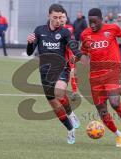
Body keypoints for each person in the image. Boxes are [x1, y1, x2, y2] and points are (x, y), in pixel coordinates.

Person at [80, 8, 121, 148]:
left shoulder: (112, 28)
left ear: (101, 19)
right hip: (95, 76)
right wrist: (81, 63)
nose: (92, 25)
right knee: (102, 111)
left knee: (114, 102)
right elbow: (83, 52)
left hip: (112, 71)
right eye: (90, 22)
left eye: (95, 22)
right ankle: (119, 135)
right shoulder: (85, 34)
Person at [26, 4, 84, 144]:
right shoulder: (39, 31)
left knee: (59, 93)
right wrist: (29, 43)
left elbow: (73, 45)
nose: (58, 20)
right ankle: (70, 130)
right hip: (45, 71)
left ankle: (70, 113)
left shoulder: (64, 32)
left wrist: (80, 55)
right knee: (54, 103)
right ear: (49, 16)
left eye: (60, 17)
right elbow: (29, 52)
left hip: (61, 68)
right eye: (55, 17)